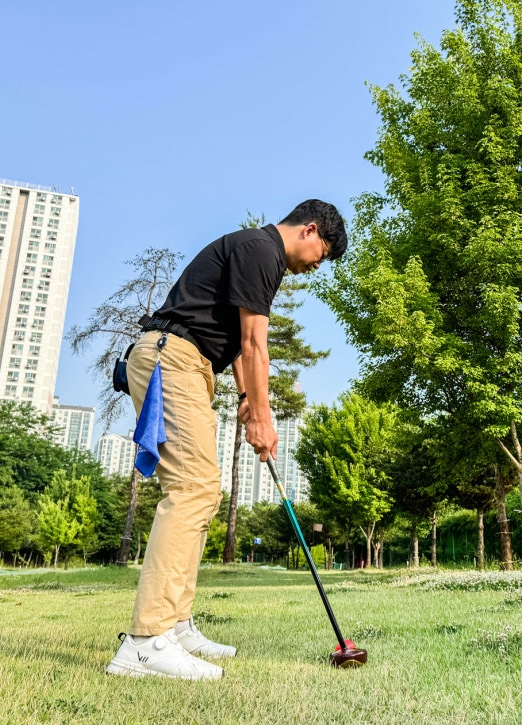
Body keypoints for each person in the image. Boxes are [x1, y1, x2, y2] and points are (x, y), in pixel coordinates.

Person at [106, 200, 347, 680]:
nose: (317, 265)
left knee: (202, 492)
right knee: (192, 489)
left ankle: (174, 625)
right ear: (310, 230)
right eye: (323, 253)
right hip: (172, 359)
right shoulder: (262, 251)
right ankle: (144, 642)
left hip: (188, 363)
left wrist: (244, 394)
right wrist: (261, 415)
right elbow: (257, 344)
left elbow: (238, 339)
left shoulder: (258, 252)